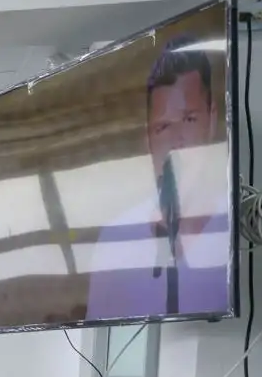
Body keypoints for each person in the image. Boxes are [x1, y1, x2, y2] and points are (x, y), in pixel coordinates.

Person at [85, 33, 229, 322]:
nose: (177, 142)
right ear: (148, 139)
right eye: (163, 127)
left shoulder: (238, 232)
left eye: (189, 120)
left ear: (212, 119)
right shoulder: (114, 242)